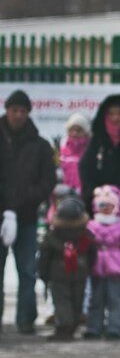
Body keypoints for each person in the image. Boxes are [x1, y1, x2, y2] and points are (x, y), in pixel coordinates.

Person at [0, 89, 57, 334]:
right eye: (14, 110)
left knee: (27, 270)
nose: (18, 115)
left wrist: (26, 200)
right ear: (7, 110)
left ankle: (25, 319)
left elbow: (48, 181)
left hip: (26, 216)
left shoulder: (40, 145)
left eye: (23, 111)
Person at [38, 196, 96, 341]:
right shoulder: (86, 235)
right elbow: (93, 255)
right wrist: (88, 269)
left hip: (58, 274)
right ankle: (71, 327)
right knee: (77, 300)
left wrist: (43, 274)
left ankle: (63, 328)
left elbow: (44, 256)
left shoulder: (52, 235)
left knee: (61, 301)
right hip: (80, 272)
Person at [84, 185, 120, 340]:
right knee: (96, 299)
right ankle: (94, 327)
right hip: (97, 267)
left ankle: (115, 328)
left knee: (116, 300)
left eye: (110, 205)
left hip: (116, 267)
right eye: (102, 205)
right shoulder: (91, 225)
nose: (106, 208)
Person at [59, 112, 91, 194]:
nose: (75, 133)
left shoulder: (90, 150)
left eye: (79, 130)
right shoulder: (62, 149)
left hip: (86, 193)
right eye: (72, 130)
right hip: (66, 193)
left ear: (85, 132)